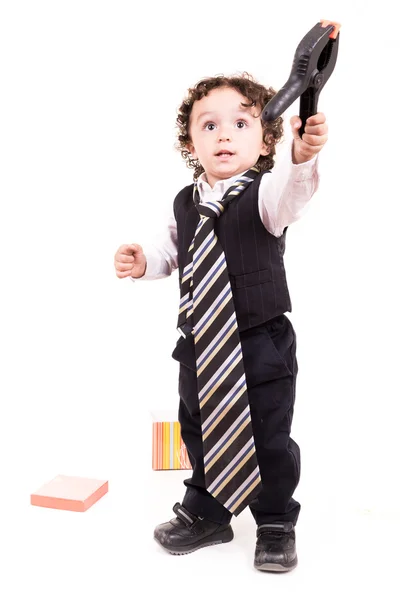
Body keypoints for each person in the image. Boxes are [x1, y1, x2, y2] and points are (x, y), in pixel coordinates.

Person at [114, 73, 328, 572]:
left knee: (268, 434)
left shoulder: (267, 195)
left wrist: (303, 155)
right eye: (209, 125)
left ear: (266, 138)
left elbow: (296, 191)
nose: (225, 135)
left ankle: (275, 520)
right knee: (198, 427)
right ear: (191, 142)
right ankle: (209, 511)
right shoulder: (185, 203)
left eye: (240, 123)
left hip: (259, 342)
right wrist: (143, 261)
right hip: (200, 343)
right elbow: (172, 253)